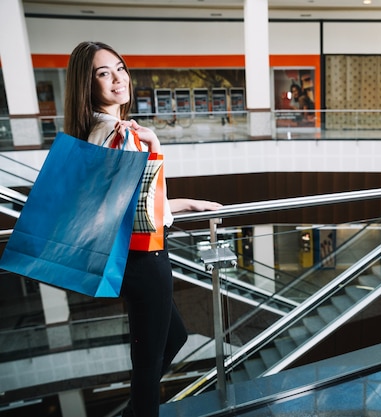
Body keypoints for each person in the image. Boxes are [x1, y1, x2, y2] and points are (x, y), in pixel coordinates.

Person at [64, 41, 222, 417]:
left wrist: (187, 203)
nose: (118, 78)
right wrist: (156, 148)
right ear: (87, 85)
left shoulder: (98, 130)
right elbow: (140, 214)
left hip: (135, 256)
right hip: (144, 258)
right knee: (148, 368)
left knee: (174, 337)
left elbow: (134, 204)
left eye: (120, 68)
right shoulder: (116, 133)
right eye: (103, 73)